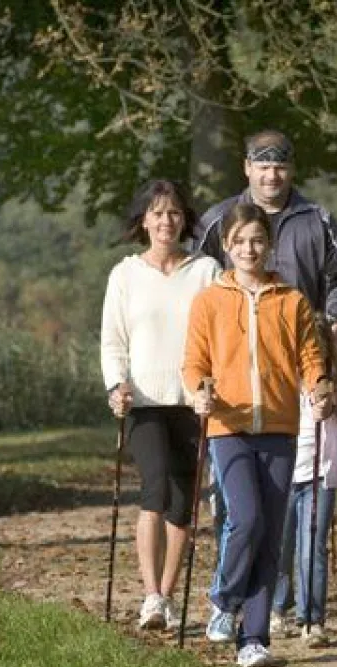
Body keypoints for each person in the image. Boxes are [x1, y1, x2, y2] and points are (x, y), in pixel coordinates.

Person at [181, 202, 335, 667]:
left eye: (258, 240)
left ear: (270, 245)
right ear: (226, 246)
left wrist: (319, 387)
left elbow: (311, 357)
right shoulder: (209, 300)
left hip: (281, 426)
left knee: (270, 535)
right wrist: (197, 394)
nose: (250, 249)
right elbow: (194, 363)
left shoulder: (290, 300)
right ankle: (224, 600)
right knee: (245, 520)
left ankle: (254, 639)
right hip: (229, 426)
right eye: (240, 241)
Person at [100, 179, 222, 630]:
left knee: (184, 501)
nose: (165, 221)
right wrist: (116, 386)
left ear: (183, 219)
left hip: (195, 400)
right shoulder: (125, 274)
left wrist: (212, 385)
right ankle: (150, 595)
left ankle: (168, 595)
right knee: (155, 489)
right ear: (143, 221)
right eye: (157, 213)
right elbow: (113, 340)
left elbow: (219, 334)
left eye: (173, 213)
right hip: (146, 400)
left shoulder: (207, 270)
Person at [192, 129, 337, 336]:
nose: (271, 176)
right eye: (264, 167)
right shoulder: (218, 219)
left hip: (303, 341)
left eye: (280, 168)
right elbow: (194, 276)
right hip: (233, 343)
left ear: (292, 169)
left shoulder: (320, 221)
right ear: (248, 167)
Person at [271, 324, 337, 647]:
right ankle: (277, 608)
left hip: (321, 477)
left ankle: (312, 619)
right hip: (284, 475)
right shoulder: (281, 385)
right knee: (281, 545)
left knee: (312, 546)